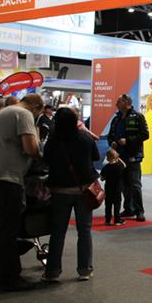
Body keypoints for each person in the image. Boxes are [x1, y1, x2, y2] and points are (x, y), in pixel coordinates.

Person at [0, 93, 44, 291]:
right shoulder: (23, 115)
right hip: (7, 179)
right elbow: (30, 148)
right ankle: (9, 277)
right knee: (8, 230)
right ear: (36, 107)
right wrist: (39, 151)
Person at [42, 107, 101, 282]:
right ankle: (84, 269)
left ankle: (52, 271)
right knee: (85, 230)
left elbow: (46, 161)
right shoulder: (85, 138)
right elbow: (95, 158)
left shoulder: (53, 141)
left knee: (58, 232)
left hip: (60, 191)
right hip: (84, 190)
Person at [107, 94, 149, 222]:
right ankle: (128, 208)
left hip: (133, 155)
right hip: (119, 157)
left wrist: (128, 141)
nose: (116, 103)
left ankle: (139, 211)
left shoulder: (138, 116)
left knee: (135, 184)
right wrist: (112, 142)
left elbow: (145, 135)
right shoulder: (116, 119)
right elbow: (110, 135)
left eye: (118, 101)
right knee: (124, 184)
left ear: (126, 102)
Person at [100, 149, 126, 227]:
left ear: (107, 158)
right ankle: (117, 220)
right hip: (117, 188)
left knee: (108, 204)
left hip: (108, 188)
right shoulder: (119, 166)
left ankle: (108, 220)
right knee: (117, 204)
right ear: (116, 157)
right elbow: (125, 165)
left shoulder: (106, 167)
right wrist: (119, 158)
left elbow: (102, 178)